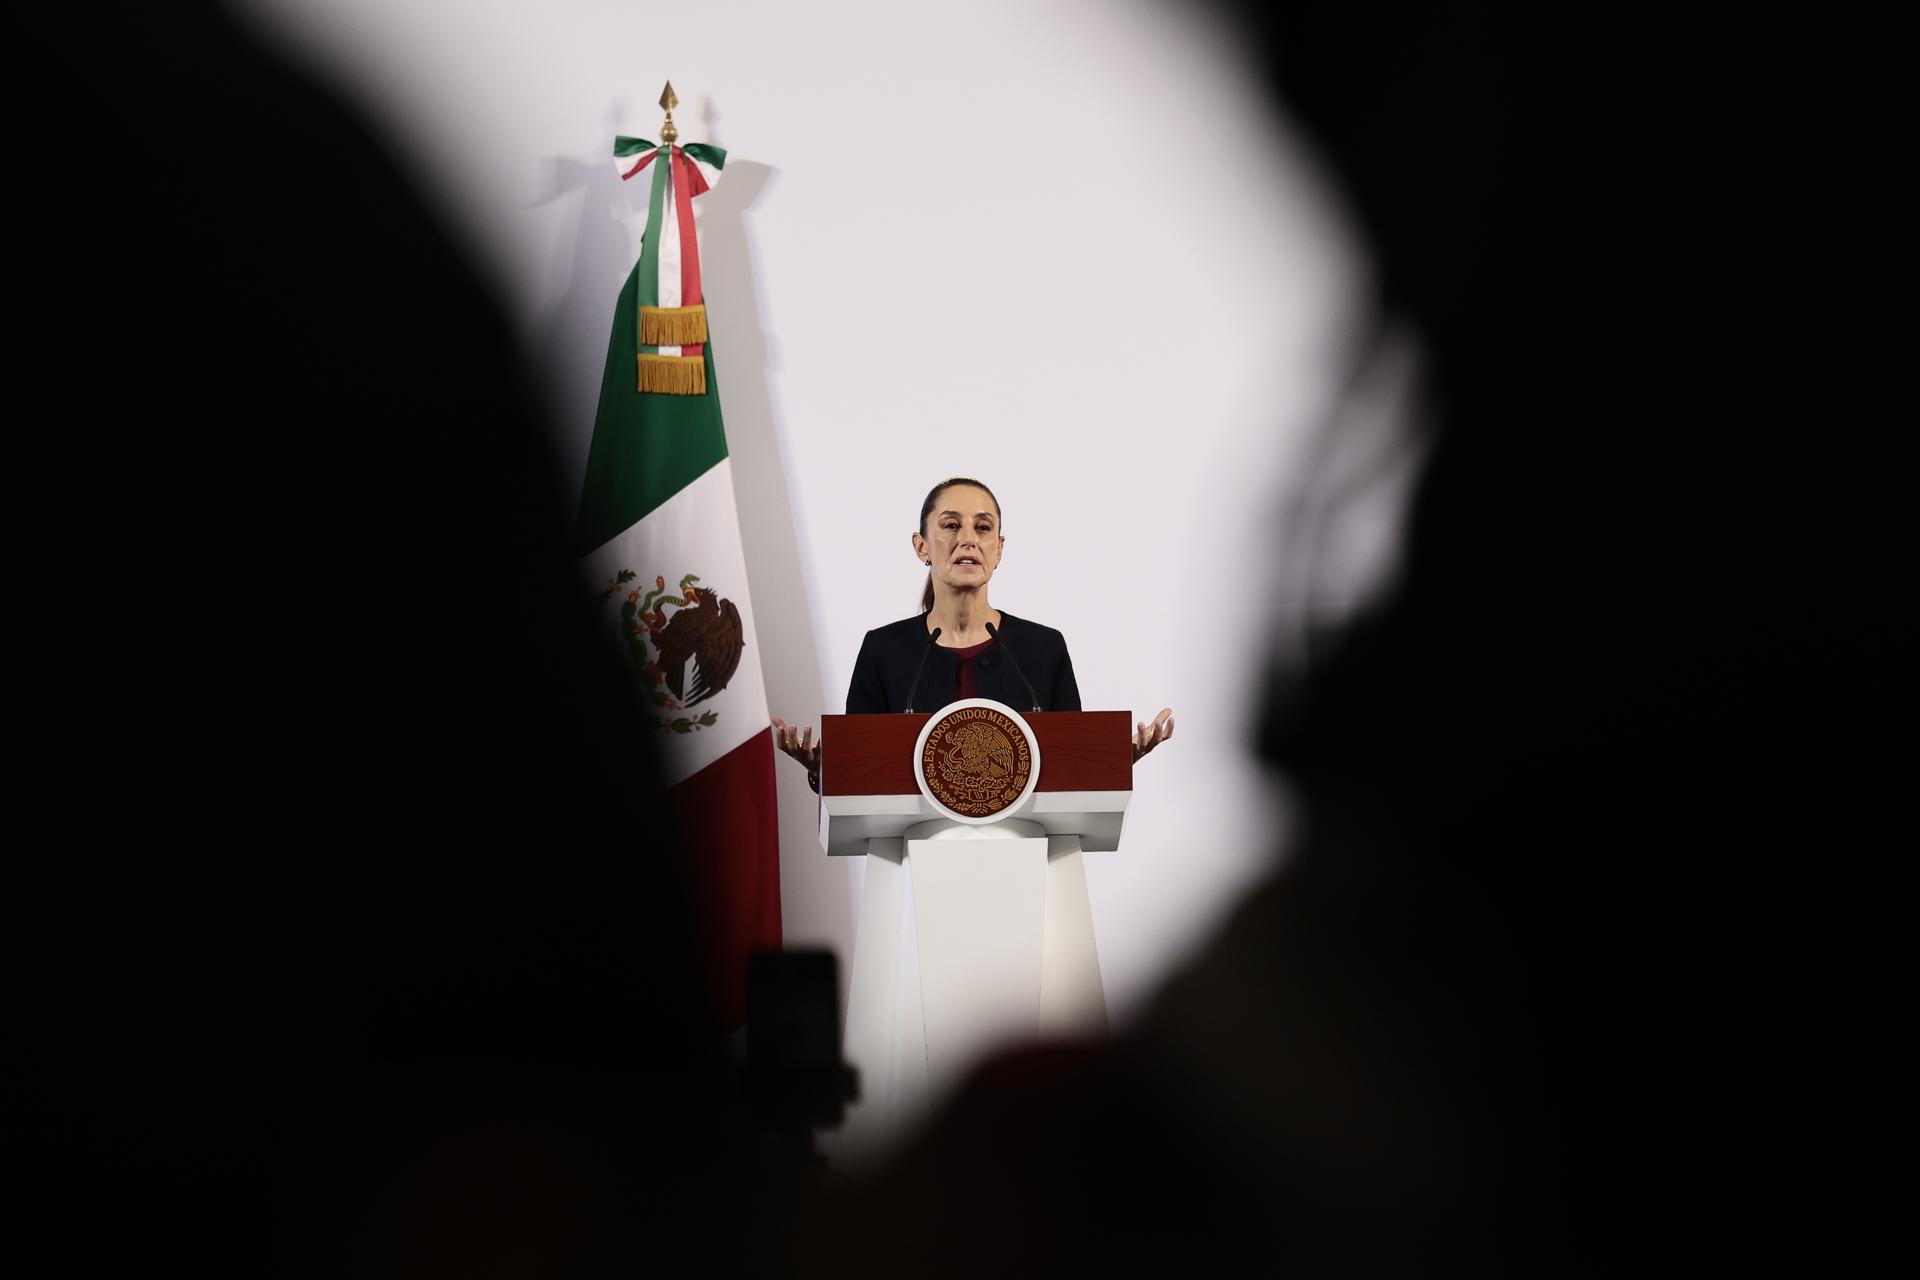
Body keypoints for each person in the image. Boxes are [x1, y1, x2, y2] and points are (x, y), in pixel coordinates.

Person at [772, 477, 1173, 789]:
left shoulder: (1042, 648)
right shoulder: (884, 650)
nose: (968, 539)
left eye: (983, 528)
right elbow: (858, 771)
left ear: (998, 549)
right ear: (921, 546)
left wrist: (1115, 761)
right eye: (950, 525)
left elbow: (1071, 767)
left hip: (1024, 862)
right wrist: (822, 770)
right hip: (916, 863)